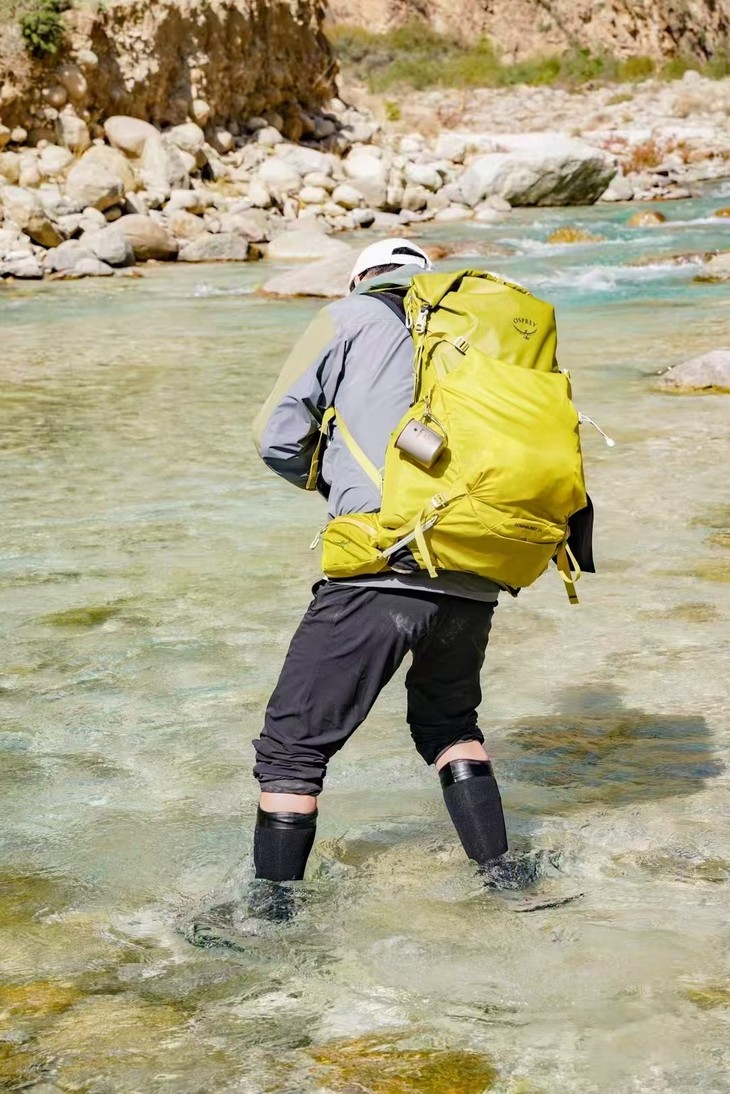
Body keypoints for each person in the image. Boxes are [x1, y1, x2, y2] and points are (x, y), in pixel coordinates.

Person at [250, 238, 519, 894]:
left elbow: (276, 437)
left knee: (291, 750)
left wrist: (336, 484)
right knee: (450, 726)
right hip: (472, 574)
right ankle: (504, 879)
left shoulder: (349, 316)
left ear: (360, 279)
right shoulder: (472, 331)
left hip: (379, 567)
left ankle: (269, 917)